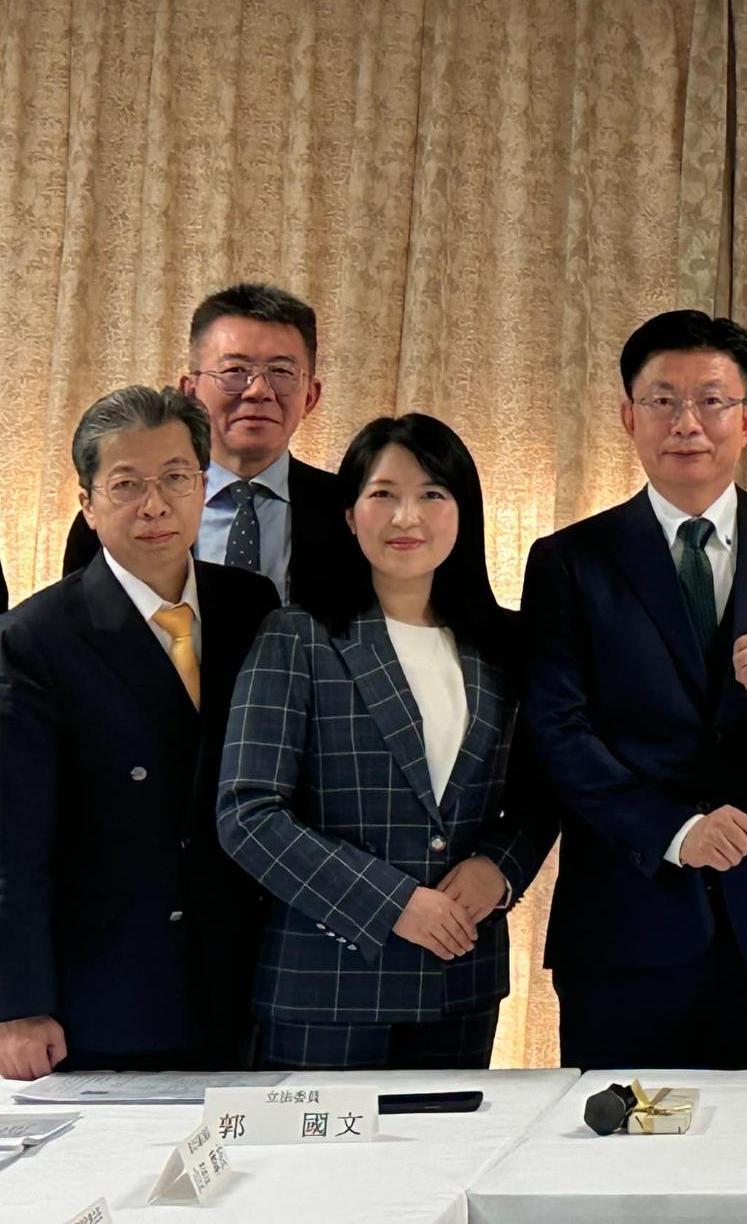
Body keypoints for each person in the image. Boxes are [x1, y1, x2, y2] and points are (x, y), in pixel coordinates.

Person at [522, 310, 747, 1069]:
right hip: (624, 922)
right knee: (615, 1134)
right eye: (663, 400)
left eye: (712, 400)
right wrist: (676, 829)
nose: (687, 423)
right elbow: (558, 731)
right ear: (628, 417)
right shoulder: (569, 561)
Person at [217, 414, 559, 1069]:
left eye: (432, 494)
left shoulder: (504, 645)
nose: (407, 516)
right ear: (350, 515)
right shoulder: (297, 635)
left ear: (464, 513)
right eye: (383, 494)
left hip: (460, 982)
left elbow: (539, 792)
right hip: (325, 989)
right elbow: (248, 813)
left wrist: (500, 869)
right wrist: (392, 903)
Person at [0, 387, 279, 1076]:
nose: (154, 505)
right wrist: (19, 1005)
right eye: (126, 484)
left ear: (203, 485)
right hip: (108, 989)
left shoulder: (252, 605)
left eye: (176, 478)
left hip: (242, 977)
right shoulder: (36, 637)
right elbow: (15, 840)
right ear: (88, 503)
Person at [63, 283, 361, 612]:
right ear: (190, 391)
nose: (258, 391)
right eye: (235, 371)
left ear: (310, 396)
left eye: (281, 371)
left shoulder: (352, 514)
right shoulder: (113, 516)